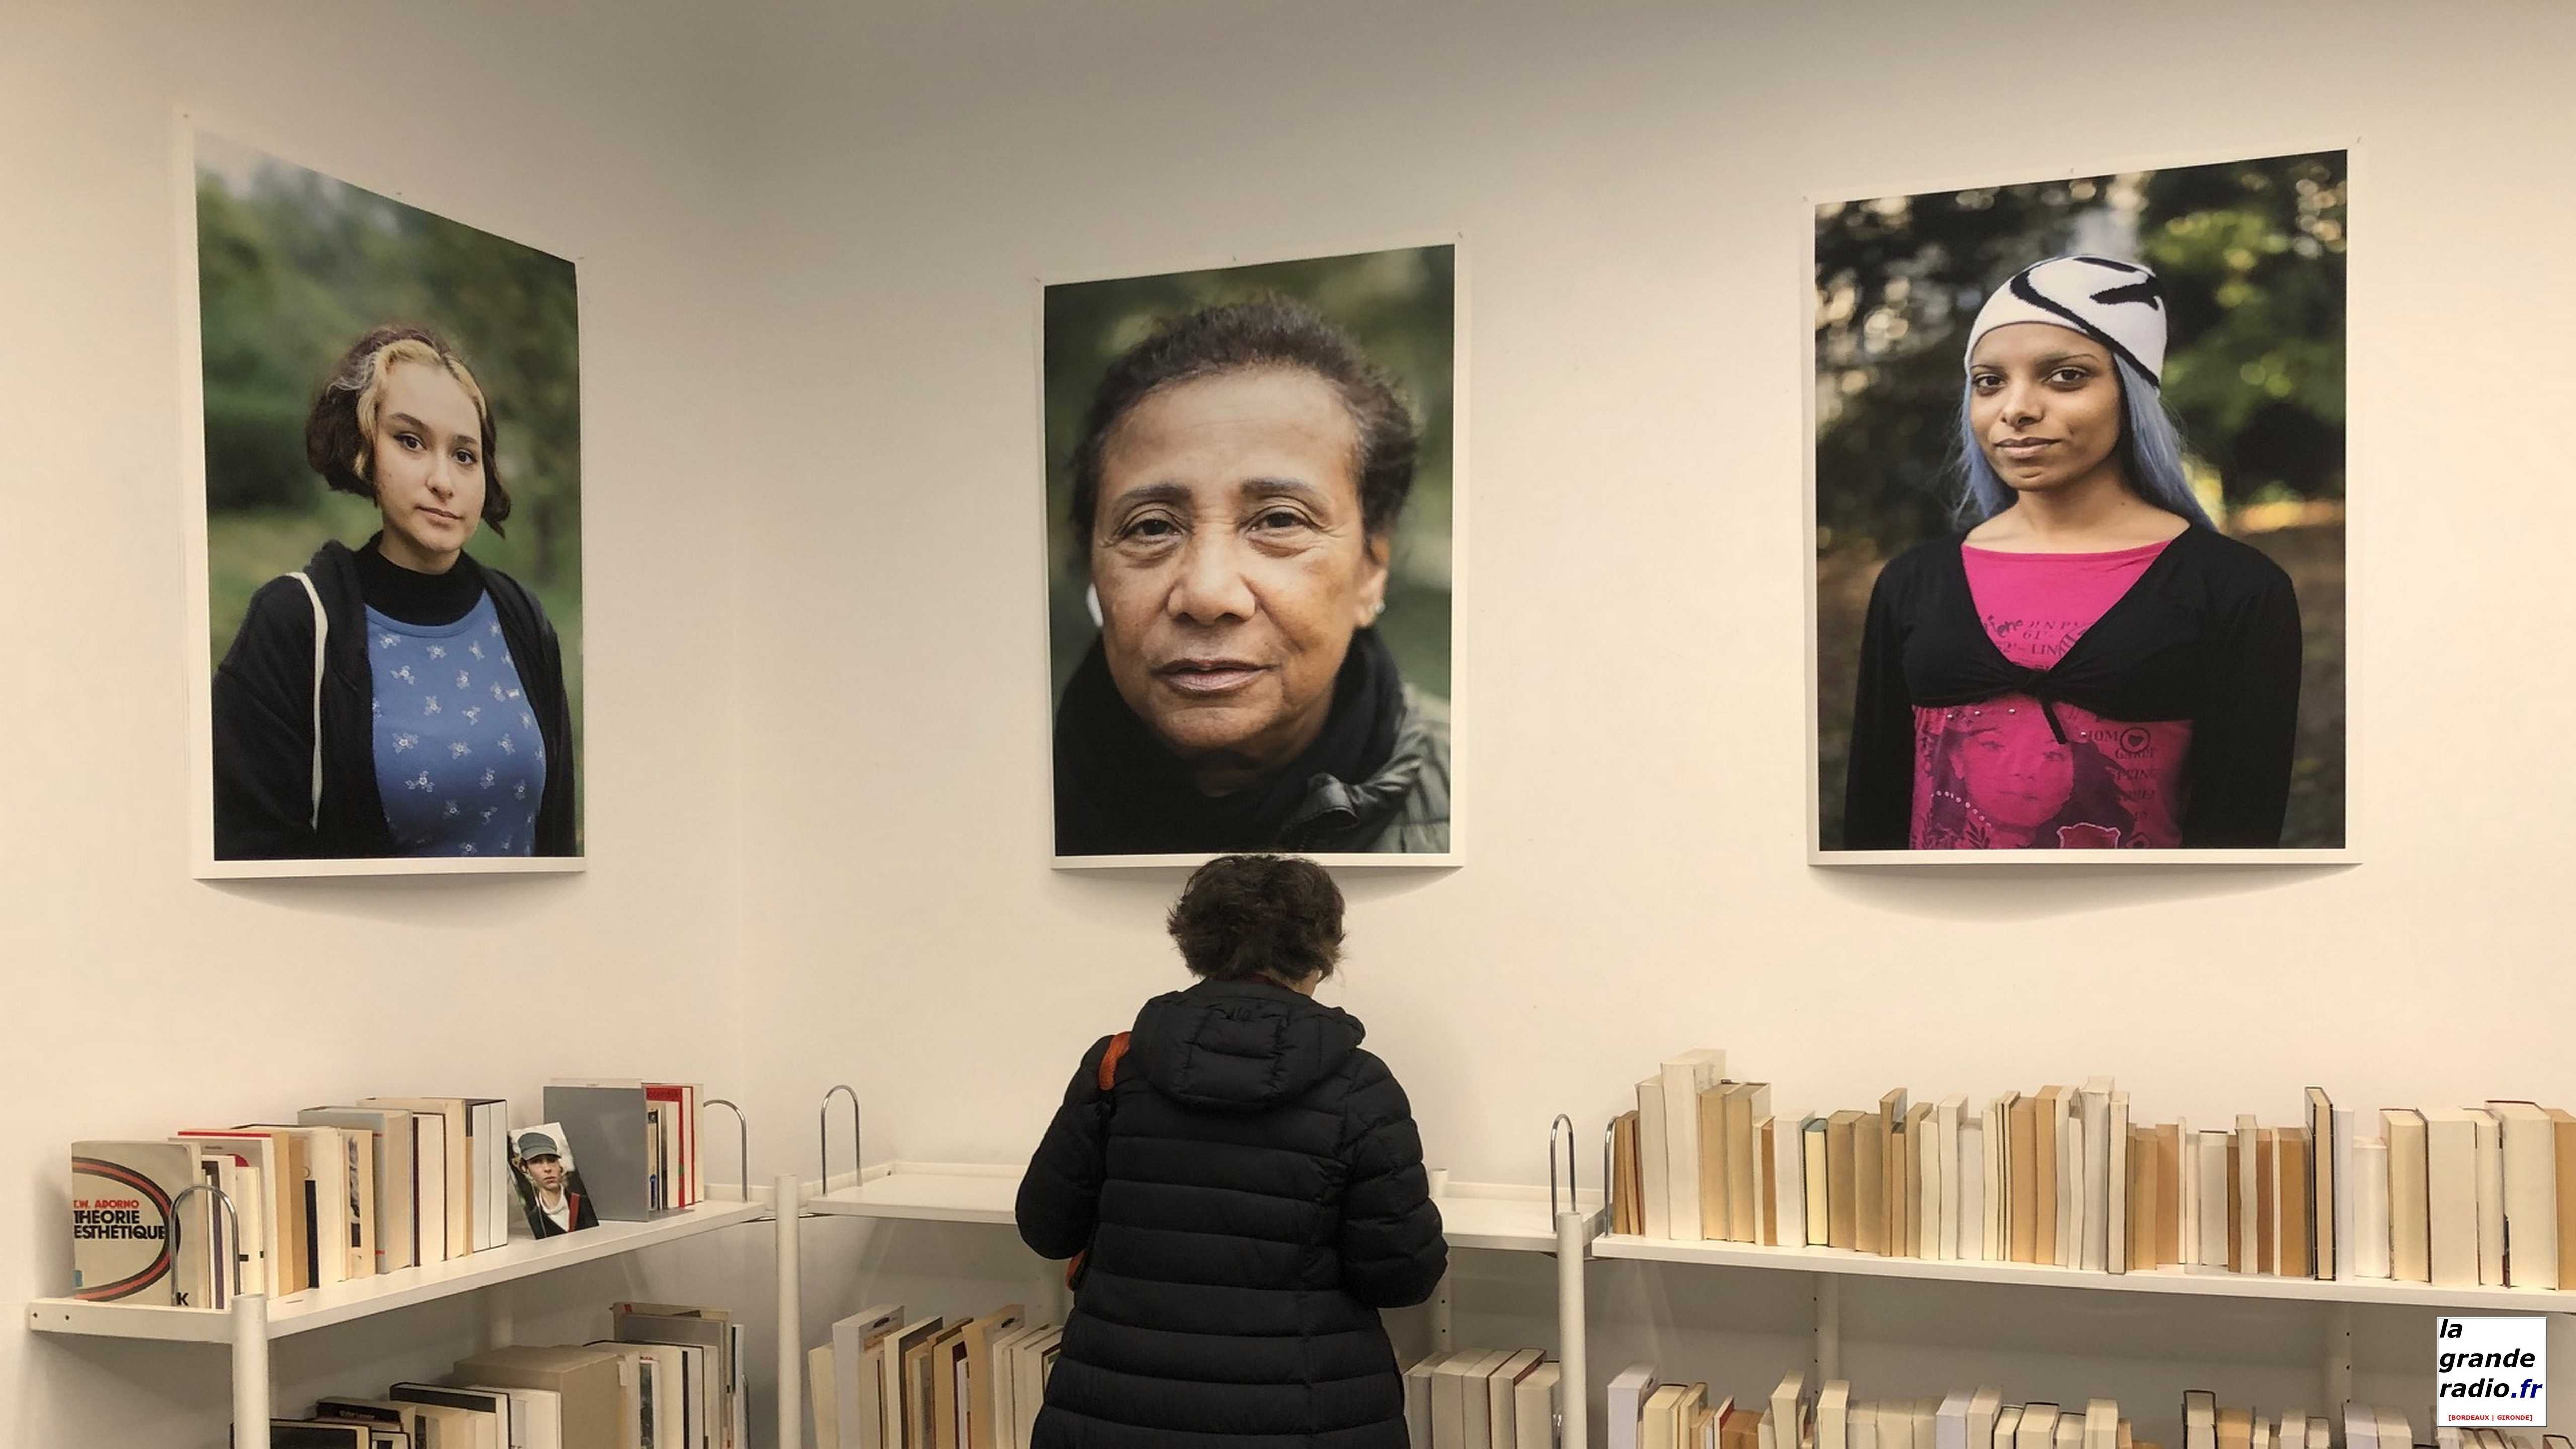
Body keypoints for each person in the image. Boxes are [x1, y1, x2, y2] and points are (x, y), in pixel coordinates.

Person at [1843, 255, 2302, 850]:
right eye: (1988, 382)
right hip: (1945, 931)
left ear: (2129, 394)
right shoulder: (1912, 582)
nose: (2016, 409)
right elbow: (1870, 813)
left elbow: (2240, 831)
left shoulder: (2235, 589)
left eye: (2064, 377)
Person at [1016, 853, 1447, 1448]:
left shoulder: (1119, 1065)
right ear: (1321, 953)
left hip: (1114, 1408)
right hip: (1305, 1413)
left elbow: (1046, 1229)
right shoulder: (1358, 1086)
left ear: (1196, 945)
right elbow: (1402, 1277)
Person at [1052, 298, 1450, 856]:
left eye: (1280, 520)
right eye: (1151, 528)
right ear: (1093, 564)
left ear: (1371, 569)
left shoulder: (1500, 795)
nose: (1208, 595)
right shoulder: (978, 798)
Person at [211, 324, 576, 860]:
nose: (443, 480)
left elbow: (557, 839)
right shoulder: (295, 621)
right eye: (410, 441)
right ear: (365, 449)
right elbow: (246, 851)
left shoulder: (521, 616)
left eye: (464, 455)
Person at [511, 1129, 596, 1238]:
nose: (547, 1169)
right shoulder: (534, 1221)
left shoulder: (587, 1206)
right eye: (537, 1162)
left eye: (552, 1160)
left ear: (559, 1165)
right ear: (525, 1168)